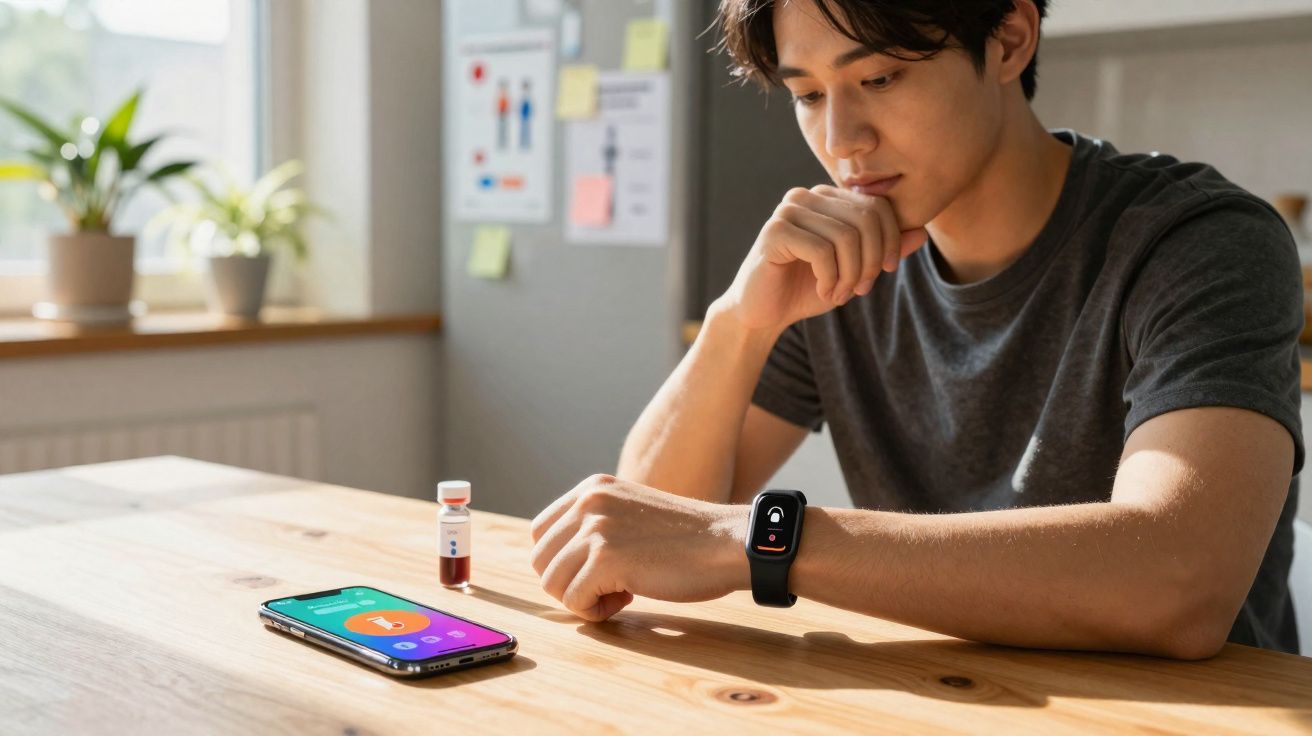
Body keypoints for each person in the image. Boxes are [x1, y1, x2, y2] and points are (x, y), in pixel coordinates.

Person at [529, 0, 1303, 659]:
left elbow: (1179, 581)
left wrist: (756, 542)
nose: (842, 139)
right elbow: (647, 537)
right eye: (807, 95)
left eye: (878, 78)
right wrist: (739, 323)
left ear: (1008, 40)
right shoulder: (838, 263)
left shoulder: (1199, 241)